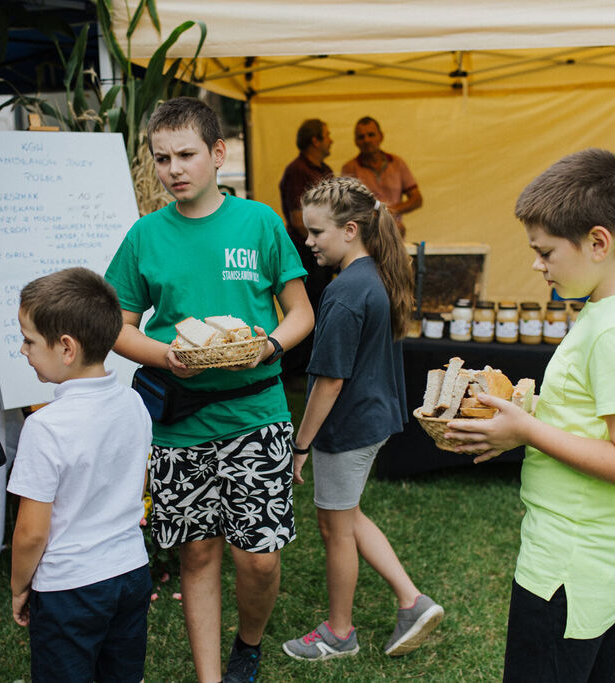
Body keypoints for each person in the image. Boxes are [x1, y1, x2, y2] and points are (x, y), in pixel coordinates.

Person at [445, 149, 615, 681]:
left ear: (599, 242)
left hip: (575, 563)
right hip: (607, 553)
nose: (537, 264)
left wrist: (525, 428)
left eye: (545, 251)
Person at [104, 96, 314, 683]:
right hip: (179, 420)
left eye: (187, 155)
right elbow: (116, 328)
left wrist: (269, 346)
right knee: (196, 554)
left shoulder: (260, 223)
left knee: (261, 560)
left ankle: (248, 643)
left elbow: (300, 313)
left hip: (257, 413)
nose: (174, 168)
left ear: (218, 154)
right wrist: (166, 354)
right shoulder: (145, 237)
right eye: (162, 157)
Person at [280, 176, 444, 662]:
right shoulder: (375, 275)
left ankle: (339, 632)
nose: (308, 242)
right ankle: (413, 601)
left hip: (346, 428)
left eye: (316, 233)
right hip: (371, 420)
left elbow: (329, 381)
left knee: (335, 528)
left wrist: (301, 443)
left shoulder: (345, 292)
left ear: (350, 230)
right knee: (345, 515)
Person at [7, 267, 153, 682]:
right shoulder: (134, 404)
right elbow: (135, 482)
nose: (22, 350)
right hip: (130, 573)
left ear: (66, 348)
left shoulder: (44, 427)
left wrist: (20, 586)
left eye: (29, 340)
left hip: (69, 589)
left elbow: (31, 532)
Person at [278, 118, 335, 387]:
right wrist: (322, 242)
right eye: (327, 135)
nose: (331, 140)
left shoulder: (325, 169)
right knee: (305, 310)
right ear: (315, 140)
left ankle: (309, 366)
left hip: (321, 255)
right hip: (305, 255)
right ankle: (293, 372)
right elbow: (298, 220)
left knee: (320, 309)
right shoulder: (297, 172)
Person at [340, 117, 422, 238]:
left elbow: (416, 199)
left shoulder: (397, 163)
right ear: (356, 141)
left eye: (371, 135)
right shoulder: (350, 168)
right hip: (365, 236)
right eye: (361, 137)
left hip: (394, 234)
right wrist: (380, 215)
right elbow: (348, 206)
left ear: (381, 136)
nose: (366, 140)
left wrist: (392, 210)